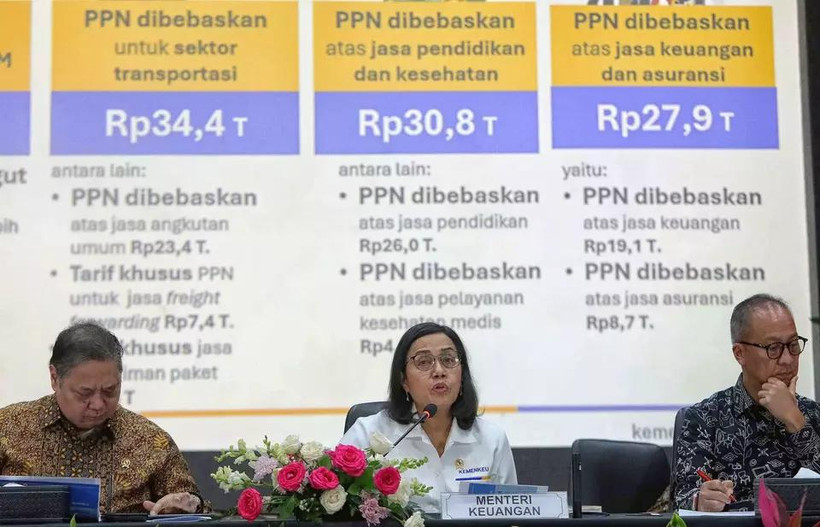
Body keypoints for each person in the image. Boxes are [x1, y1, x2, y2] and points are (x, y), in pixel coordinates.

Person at [0, 322, 204, 514]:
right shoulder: (9, 427)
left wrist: (189, 505)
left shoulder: (150, 441)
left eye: (109, 391)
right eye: (84, 393)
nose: (98, 404)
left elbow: (194, 506)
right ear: (54, 378)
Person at [340, 322, 517, 512]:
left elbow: (511, 514)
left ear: (462, 374)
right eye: (424, 362)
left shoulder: (492, 439)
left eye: (448, 359)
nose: (439, 371)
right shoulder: (368, 433)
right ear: (404, 381)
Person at [673, 294, 820, 511]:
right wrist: (700, 500)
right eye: (774, 348)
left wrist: (796, 423)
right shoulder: (704, 418)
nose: (788, 359)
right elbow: (681, 498)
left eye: (793, 345)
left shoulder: (813, 413)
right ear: (740, 353)